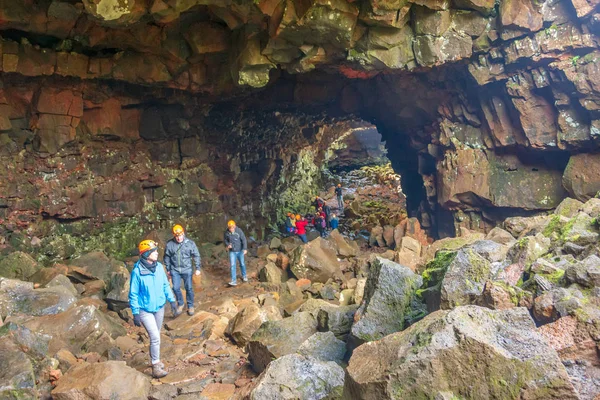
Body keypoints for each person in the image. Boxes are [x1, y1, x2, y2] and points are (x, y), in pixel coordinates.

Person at [129, 240, 179, 379]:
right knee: (155, 337)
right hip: (145, 310)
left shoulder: (159, 267)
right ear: (146, 254)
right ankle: (156, 366)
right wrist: (135, 312)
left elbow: (165, 285)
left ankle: (155, 360)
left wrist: (172, 300)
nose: (157, 252)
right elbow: (133, 294)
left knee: (156, 335)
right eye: (154, 251)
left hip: (159, 307)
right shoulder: (137, 272)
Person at [164, 224, 201, 316]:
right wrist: (168, 269)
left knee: (189, 288)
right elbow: (166, 257)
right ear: (174, 235)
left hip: (187, 269)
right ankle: (180, 303)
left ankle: (190, 305)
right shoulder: (170, 244)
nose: (179, 238)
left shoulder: (190, 243)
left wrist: (197, 268)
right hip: (175, 270)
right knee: (175, 288)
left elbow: (196, 255)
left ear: (183, 233)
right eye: (177, 236)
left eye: (180, 235)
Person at [224, 220, 248, 286]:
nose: (231, 229)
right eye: (230, 228)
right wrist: (228, 245)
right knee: (232, 265)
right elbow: (225, 240)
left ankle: (244, 276)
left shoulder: (239, 231)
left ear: (235, 226)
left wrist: (245, 248)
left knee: (242, 264)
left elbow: (244, 239)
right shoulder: (227, 233)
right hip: (232, 251)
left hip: (240, 251)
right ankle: (234, 281)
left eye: (232, 227)